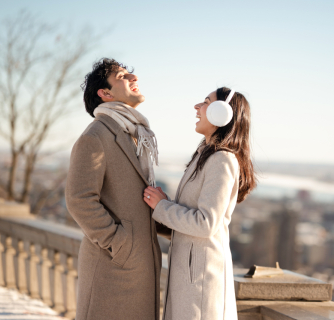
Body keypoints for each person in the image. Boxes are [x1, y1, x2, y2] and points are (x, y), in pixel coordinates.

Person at [143, 87, 257, 320]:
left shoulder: (222, 160)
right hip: (188, 276)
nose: (197, 107)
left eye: (205, 102)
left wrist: (162, 207)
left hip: (201, 281)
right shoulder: (204, 156)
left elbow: (206, 224)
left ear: (221, 113)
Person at [65, 58, 163, 320]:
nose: (133, 77)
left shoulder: (133, 133)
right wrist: (121, 245)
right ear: (105, 94)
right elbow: (79, 200)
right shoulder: (94, 136)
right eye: (122, 76)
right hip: (112, 271)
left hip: (138, 268)